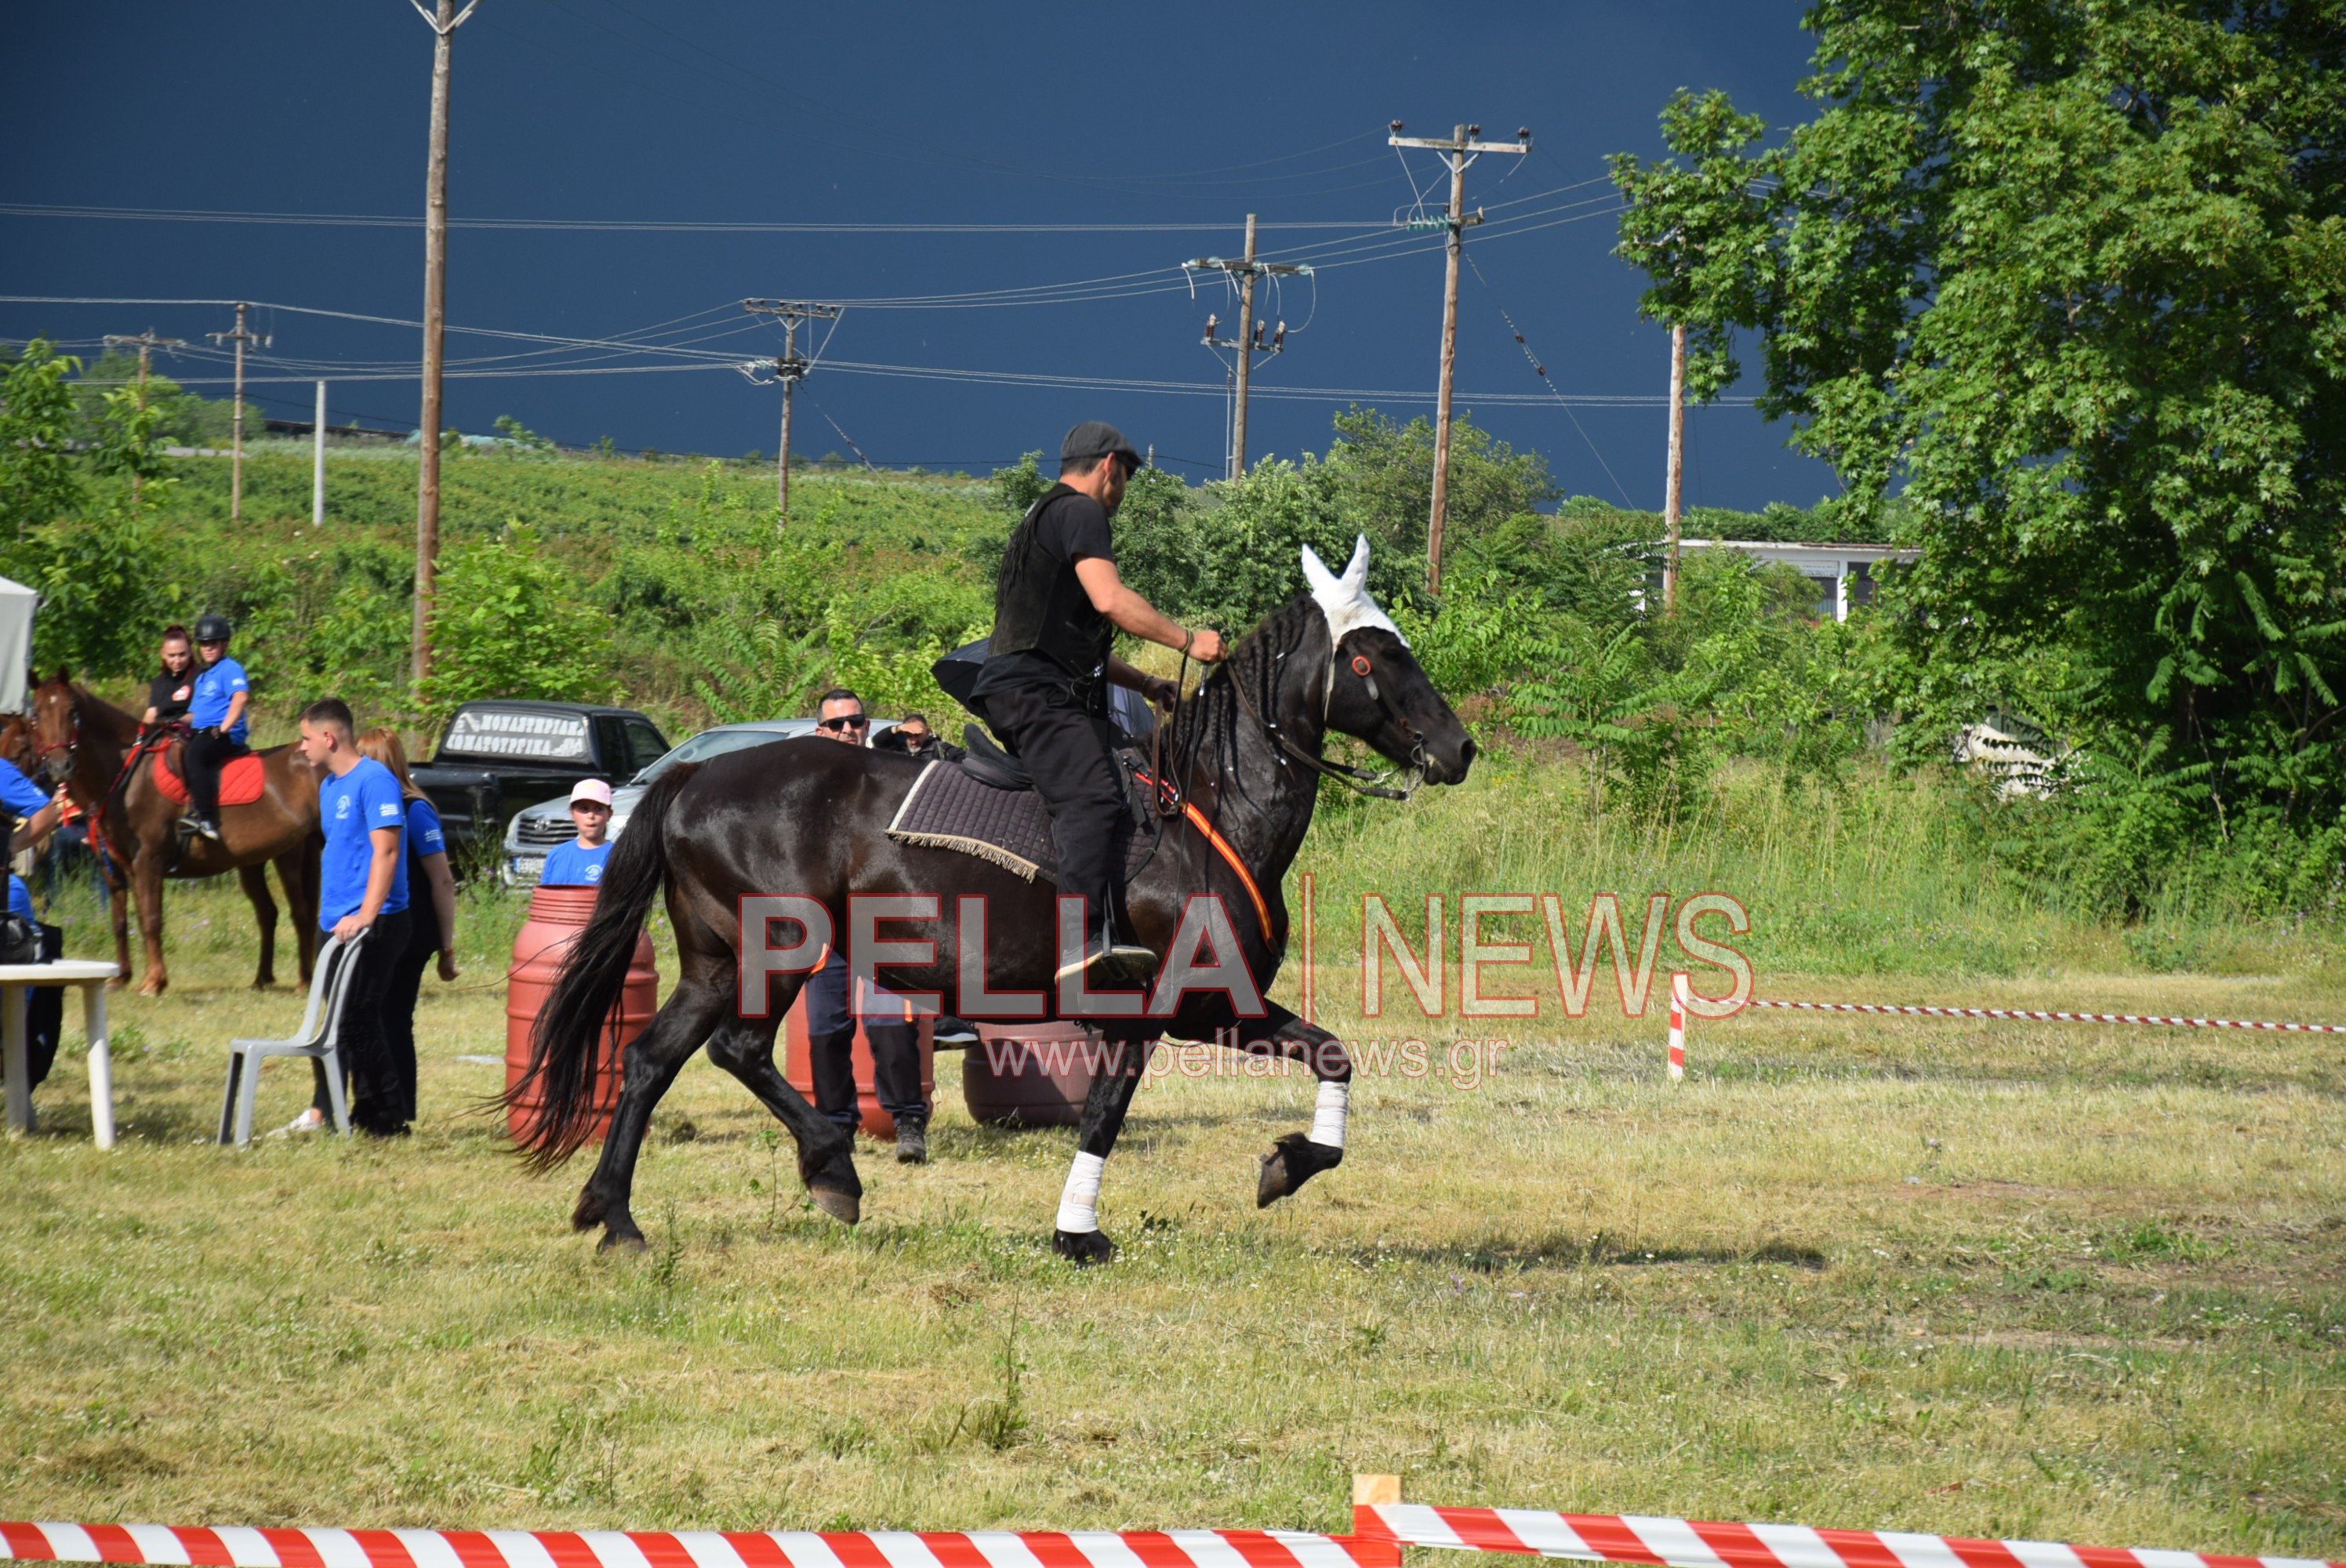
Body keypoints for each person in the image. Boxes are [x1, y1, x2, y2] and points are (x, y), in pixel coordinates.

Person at [968, 420, 1223, 982]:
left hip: (1030, 682)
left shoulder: (1043, 516)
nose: (1123, 493)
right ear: (1110, 466)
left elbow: (1069, 644)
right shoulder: (1080, 512)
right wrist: (1188, 640)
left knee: (1125, 781)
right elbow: (1110, 600)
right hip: (1035, 694)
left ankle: (1114, 928)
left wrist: (1145, 684)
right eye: (1126, 478)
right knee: (1092, 800)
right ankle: (1076, 944)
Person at [285, 729, 458, 1136]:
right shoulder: (350, 798)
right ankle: (346, 1108)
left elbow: (442, 882)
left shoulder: (414, 811)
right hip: (367, 924)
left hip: (405, 933)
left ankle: (391, 1112)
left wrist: (446, 947)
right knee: (357, 1018)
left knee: (387, 1020)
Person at [804, 688, 932, 1162]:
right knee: (825, 1029)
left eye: (855, 721)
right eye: (837, 724)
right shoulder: (807, 784)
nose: (847, 730)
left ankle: (909, 1124)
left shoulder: (886, 773)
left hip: (885, 918)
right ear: (820, 731)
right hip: (826, 921)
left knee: (890, 1025)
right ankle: (836, 1128)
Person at [293, 699, 412, 1137]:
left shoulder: (375, 781)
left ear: (329, 737)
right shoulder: (329, 787)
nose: (301, 747)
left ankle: (388, 1115)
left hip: (376, 922)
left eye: (306, 738)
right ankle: (358, 1114)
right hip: (336, 923)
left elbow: (387, 850)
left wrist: (366, 915)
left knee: (358, 1016)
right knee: (340, 1021)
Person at [182, 613, 251, 842]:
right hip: (203, 731)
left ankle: (206, 818)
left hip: (224, 734)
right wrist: (170, 721)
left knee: (195, 755)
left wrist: (223, 728)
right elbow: (195, 714)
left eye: (212, 643)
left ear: (225, 644)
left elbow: (240, 698)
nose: (207, 648)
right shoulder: (203, 676)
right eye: (203, 644)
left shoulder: (230, 668)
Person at [539, 779, 614, 887]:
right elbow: (544, 898)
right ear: (572, 813)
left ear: (609, 814)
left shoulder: (618, 856)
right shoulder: (556, 855)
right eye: (584, 809)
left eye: (598, 809)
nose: (591, 816)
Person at [140, 626, 196, 730]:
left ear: (190, 651)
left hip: (189, 735)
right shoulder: (158, 683)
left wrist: (177, 720)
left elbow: (204, 715)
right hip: (161, 735)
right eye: (172, 656)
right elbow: (151, 715)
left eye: (182, 654)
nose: (177, 661)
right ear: (163, 654)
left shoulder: (201, 677)